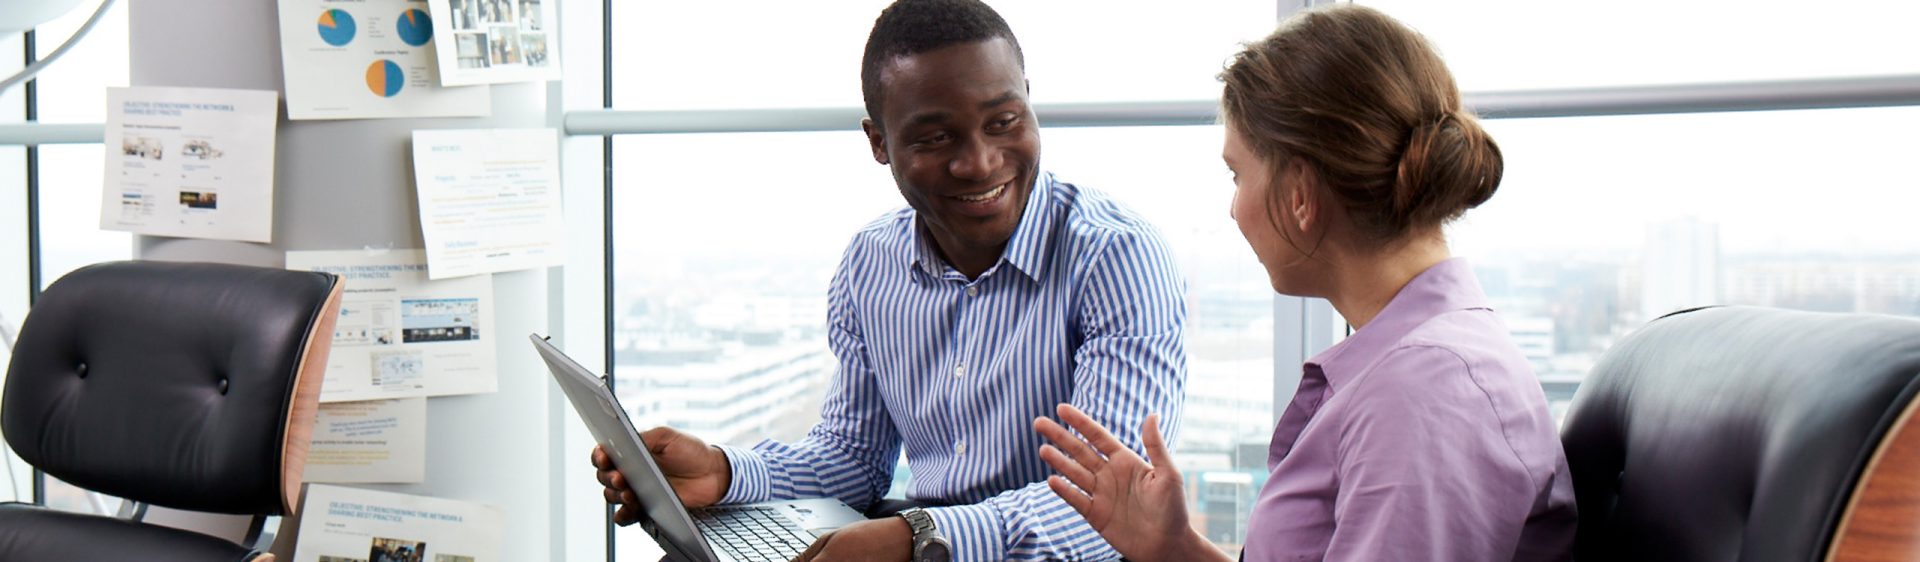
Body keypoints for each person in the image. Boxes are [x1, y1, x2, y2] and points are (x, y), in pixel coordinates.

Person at [592, 1, 1189, 560]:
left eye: (1003, 121)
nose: (979, 161)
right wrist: (724, 473)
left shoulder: (1117, 257)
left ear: (1029, 102)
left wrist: (918, 538)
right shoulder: (870, 264)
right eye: (936, 137)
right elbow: (852, 460)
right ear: (879, 142)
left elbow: (1110, 507)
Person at [1033, 5, 1578, 561]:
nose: (1234, 208)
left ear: (1299, 193)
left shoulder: (1423, 393)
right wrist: (1178, 549)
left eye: (1237, 173)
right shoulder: (1416, 368)